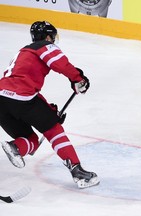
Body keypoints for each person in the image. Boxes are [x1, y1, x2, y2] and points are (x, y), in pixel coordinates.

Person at [0, 21, 99, 189]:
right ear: (47, 37)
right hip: (22, 98)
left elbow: (23, 89)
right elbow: (60, 64)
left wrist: (49, 111)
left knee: (31, 140)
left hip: (2, 101)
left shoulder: (22, 52)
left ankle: (15, 146)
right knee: (53, 129)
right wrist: (78, 78)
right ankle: (78, 172)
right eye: (52, 37)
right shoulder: (44, 46)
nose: (53, 40)